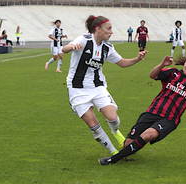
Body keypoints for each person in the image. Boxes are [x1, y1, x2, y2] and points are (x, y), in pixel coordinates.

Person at [99, 54, 186, 165]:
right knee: (128, 144)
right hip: (152, 112)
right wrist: (162, 65)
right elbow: (153, 75)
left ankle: (112, 160)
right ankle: (126, 148)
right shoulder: (173, 73)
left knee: (149, 134)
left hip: (169, 119)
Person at [62, 15, 148, 156]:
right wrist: (71, 47)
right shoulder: (84, 39)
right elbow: (65, 49)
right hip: (77, 89)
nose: (111, 32)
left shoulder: (108, 48)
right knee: (93, 124)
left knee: (112, 117)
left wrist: (137, 58)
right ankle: (113, 152)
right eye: (108, 29)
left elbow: (122, 63)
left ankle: (115, 131)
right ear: (98, 29)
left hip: (97, 87)